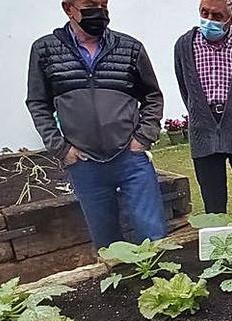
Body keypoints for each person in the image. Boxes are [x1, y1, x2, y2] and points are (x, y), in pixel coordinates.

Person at [26, 0, 167, 248]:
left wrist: (143, 137)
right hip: (85, 163)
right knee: (107, 244)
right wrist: (61, 148)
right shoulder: (45, 51)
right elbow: (38, 103)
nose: (100, 12)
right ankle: (121, 286)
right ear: (68, 8)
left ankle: (161, 285)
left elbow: (152, 96)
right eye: (91, 5)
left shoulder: (130, 48)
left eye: (104, 4)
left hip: (130, 159)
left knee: (153, 236)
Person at [174, 0, 232, 216]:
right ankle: (222, 249)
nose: (209, 20)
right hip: (204, 132)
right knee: (213, 207)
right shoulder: (184, 46)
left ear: (230, 20)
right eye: (204, 13)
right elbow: (186, 89)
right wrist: (202, 114)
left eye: (216, 16)